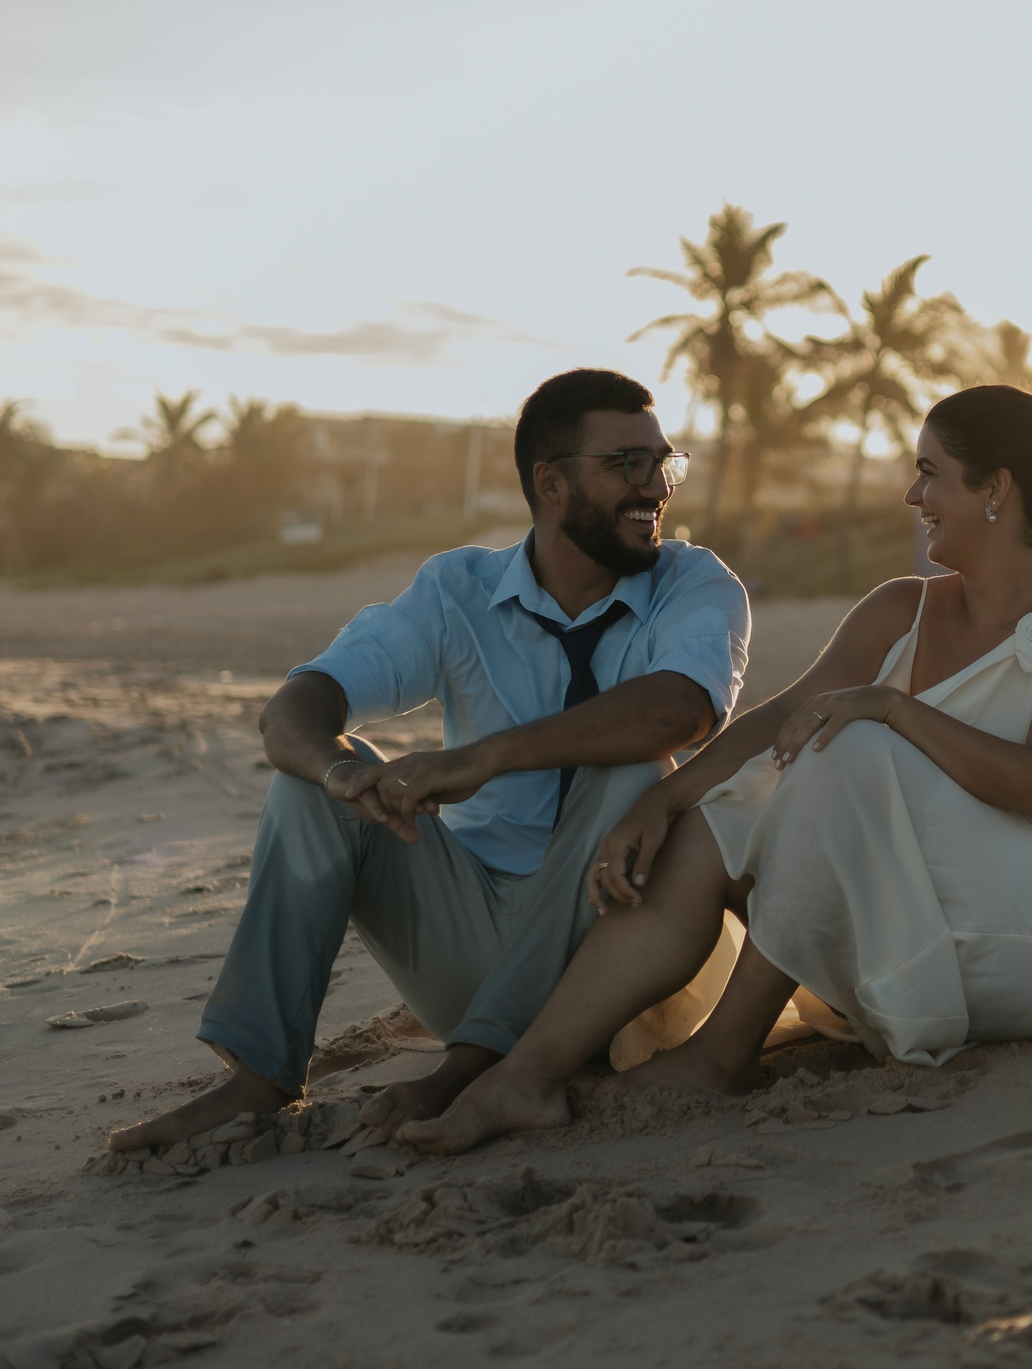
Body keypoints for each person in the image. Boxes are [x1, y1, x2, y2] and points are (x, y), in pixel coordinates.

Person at [400, 383, 1032, 1152]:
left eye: (930, 472)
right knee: (721, 815)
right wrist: (665, 800)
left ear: (996, 489)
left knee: (850, 745)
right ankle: (527, 1075)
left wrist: (894, 708)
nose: (913, 494)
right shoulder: (900, 608)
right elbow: (783, 718)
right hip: (925, 921)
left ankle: (722, 1055)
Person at [108, 369, 749, 1153]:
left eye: (664, 463)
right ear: (551, 483)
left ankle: (473, 1068)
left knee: (636, 769)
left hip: (623, 953)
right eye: (628, 464)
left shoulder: (694, 581)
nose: (655, 487)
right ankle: (261, 1075)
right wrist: (344, 776)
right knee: (315, 785)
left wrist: (483, 758)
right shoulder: (458, 591)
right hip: (470, 933)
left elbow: (680, 709)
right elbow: (295, 708)